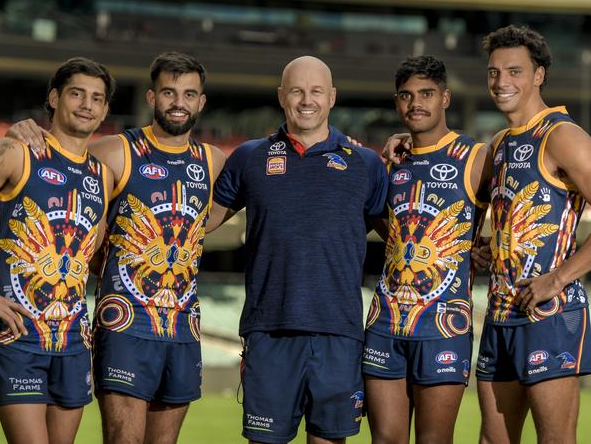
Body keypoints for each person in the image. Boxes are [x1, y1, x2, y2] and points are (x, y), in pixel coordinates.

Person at [383, 25, 591, 443]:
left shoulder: (564, 135)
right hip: (500, 313)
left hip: (550, 316)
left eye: (514, 71)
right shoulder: (500, 144)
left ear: (539, 75)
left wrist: (559, 277)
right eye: (494, 72)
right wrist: (485, 250)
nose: (501, 82)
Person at [8, 51, 226, 444]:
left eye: (189, 94)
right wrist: (21, 131)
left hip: (183, 328)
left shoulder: (215, 162)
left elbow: (226, 212)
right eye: (169, 93)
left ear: (201, 102)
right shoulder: (111, 152)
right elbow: (65, 185)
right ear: (151, 97)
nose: (179, 103)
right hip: (124, 322)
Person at [209, 55, 389, 444]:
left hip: (338, 333)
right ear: (281, 96)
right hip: (269, 331)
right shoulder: (249, 157)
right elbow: (199, 224)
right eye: (297, 91)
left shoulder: (366, 163)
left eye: (316, 91)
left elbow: (402, 238)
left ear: (332, 97)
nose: (307, 100)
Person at [0, 57, 115, 444]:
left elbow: (93, 250)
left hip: (72, 338)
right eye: (77, 94)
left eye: (97, 98)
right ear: (54, 98)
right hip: (17, 333)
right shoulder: (15, 151)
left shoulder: (101, 175)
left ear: (105, 110)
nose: (87, 104)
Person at [362, 56, 490, 444]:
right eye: (406, 95)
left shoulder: (476, 156)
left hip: (443, 325)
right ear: (397, 102)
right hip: (385, 321)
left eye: (426, 94)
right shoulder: (389, 163)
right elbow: (388, 227)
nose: (415, 103)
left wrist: (485, 246)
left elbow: (513, 203)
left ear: (446, 98)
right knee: (386, 440)